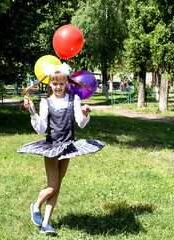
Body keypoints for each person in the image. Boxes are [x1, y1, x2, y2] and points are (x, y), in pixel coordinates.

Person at [17, 63, 105, 235]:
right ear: (50, 84)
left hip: (68, 147)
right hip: (51, 147)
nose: (58, 87)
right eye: (55, 84)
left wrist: (85, 114)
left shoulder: (74, 100)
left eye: (61, 84)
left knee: (57, 187)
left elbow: (80, 123)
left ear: (66, 83)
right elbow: (42, 129)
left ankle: (46, 224)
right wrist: (33, 113)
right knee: (52, 186)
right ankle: (36, 205)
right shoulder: (46, 102)